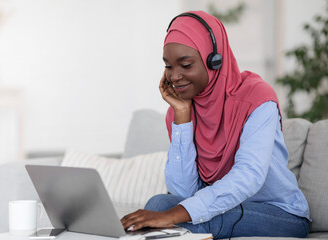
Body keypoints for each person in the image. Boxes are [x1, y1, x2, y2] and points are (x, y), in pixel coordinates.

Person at [121, 11, 311, 239]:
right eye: (169, 66)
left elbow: (248, 176)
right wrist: (182, 115)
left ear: (215, 61)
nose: (175, 76)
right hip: (219, 206)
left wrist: (172, 216)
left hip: (280, 213)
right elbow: (184, 192)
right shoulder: (179, 111)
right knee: (158, 202)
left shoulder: (258, 100)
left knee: (209, 217)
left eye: (186, 65)